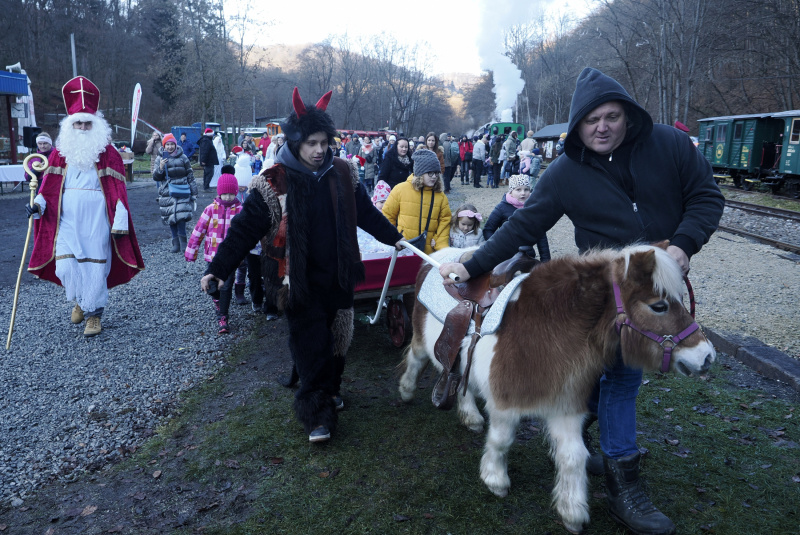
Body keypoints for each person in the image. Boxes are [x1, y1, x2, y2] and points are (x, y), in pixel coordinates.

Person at [438, 67, 724, 535]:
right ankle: (621, 480)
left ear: (627, 116)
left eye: (612, 116)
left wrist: (684, 245)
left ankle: (596, 449)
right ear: (577, 126)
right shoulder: (565, 172)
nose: (603, 127)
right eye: (591, 120)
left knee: (614, 376)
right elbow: (521, 227)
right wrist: (472, 266)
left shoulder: (670, 145)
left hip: (662, 281)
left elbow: (706, 198)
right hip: (604, 293)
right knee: (614, 376)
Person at [199, 88, 404, 443]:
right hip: (297, 281)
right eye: (311, 142)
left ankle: (332, 389)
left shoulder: (343, 173)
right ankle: (316, 414)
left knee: (338, 341)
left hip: (338, 276)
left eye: (324, 141)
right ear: (295, 142)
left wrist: (393, 237)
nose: (319, 149)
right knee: (310, 346)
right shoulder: (273, 182)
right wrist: (217, 268)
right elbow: (244, 229)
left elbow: (365, 213)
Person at [26, 76, 145, 337]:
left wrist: (120, 220)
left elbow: (118, 192)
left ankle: (94, 316)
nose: (81, 126)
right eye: (77, 122)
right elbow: (49, 187)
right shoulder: (60, 152)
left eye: (86, 122)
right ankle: (80, 300)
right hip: (66, 218)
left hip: (96, 219)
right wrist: (38, 205)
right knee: (66, 266)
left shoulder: (109, 153)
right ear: (69, 125)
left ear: (96, 124)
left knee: (94, 266)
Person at [185, 173, 242, 334]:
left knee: (226, 286)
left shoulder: (240, 210)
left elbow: (248, 233)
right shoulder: (210, 210)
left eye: (232, 193)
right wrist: (191, 252)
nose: (229, 197)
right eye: (225, 193)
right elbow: (198, 231)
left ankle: (223, 317)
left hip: (231, 257)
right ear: (219, 193)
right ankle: (216, 299)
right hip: (213, 256)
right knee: (210, 284)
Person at [382, 148, 451, 254]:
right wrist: (394, 238)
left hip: (429, 253)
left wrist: (439, 242)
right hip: (404, 249)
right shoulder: (400, 189)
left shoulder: (440, 196)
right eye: (430, 173)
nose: (434, 177)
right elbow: (387, 215)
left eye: (437, 173)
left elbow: (445, 220)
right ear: (420, 172)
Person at [482, 174, 550, 261]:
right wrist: (496, 248)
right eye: (518, 189)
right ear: (511, 191)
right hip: (505, 256)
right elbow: (488, 229)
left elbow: (541, 236)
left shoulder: (533, 208)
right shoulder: (501, 208)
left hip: (527, 255)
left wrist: (546, 261)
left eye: (526, 189)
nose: (523, 193)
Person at [153, 132, 197, 253]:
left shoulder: (183, 157)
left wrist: (194, 193)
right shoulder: (160, 158)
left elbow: (190, 175)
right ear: (164, 145)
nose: (170, 147)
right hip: (167, 191)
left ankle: (183, 242)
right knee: (170, 217)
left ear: (176, 145)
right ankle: (175, 243)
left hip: (182, 189)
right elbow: (156, 177)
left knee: (181, 216)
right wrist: (161, 168)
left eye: (172, 144)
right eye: (167, 144)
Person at [197, 127, 219, 191]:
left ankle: (206, 186)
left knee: (207, 174)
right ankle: (206, 187)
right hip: (208, 161)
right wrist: (203, 160)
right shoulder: (206, 141)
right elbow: (204, 151)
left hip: (208, 160)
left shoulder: (206, 140)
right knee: (209, 174)